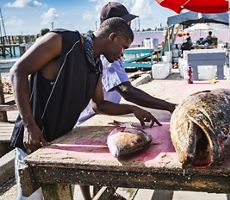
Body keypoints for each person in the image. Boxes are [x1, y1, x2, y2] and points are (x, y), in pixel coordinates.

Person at [10, 17, 161, 200]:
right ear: (112, 37)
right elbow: (18, 71)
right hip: (32, 142)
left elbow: (100, 105)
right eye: (123, 47)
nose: (122, 54)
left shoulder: (96, 65)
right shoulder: (62, 41)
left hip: (58, 145)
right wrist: (29, 125)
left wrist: (134, 109)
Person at [78, 2, 176, 199]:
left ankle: (101, 194)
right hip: (94, 116)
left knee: (99, 166)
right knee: (88, 164)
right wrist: (167, 106)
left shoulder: (111, 50)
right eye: (125, 23)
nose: (128, 27)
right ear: (111, 28)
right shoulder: (105, 55)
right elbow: (127, 91)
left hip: (109, 112)